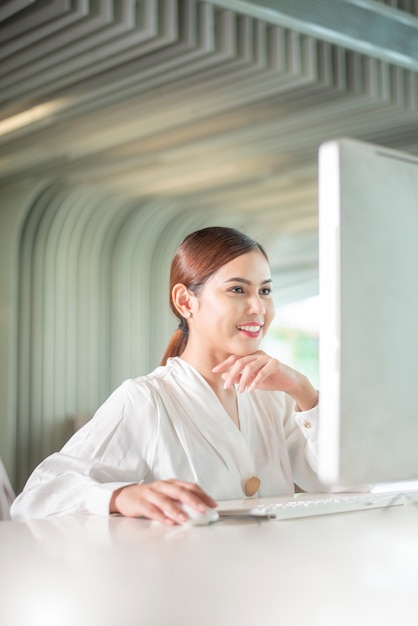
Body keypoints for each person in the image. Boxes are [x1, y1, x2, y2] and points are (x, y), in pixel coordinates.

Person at [11, 226, 325, 524]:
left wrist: (303, 391)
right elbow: (34, 499)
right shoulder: (145, 399)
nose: (259, 307)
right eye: (238, 289)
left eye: (266, 290)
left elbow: (337, 482)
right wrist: (121, 496)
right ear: (185, 301)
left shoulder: (276, 398)